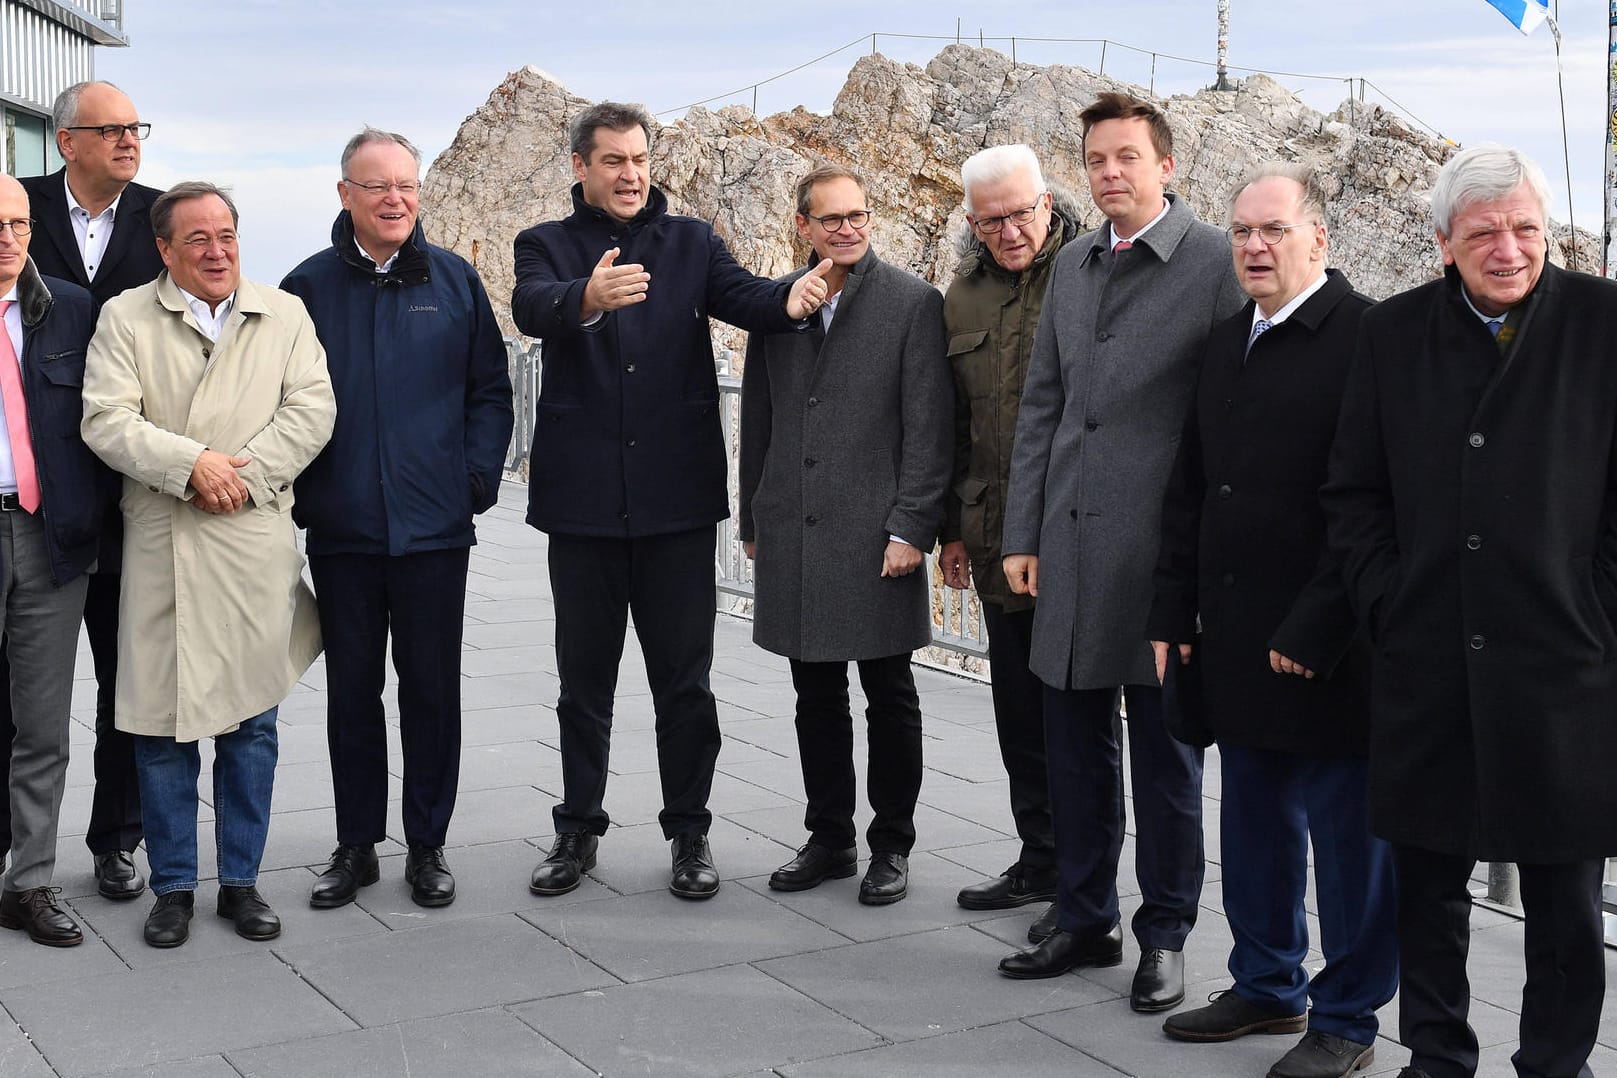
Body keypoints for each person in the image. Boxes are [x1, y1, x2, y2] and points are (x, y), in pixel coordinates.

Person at [1324, 145, 1617, 1078]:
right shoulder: (1392, 333)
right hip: (1428, 658)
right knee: (1428, 889)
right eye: (1484, 233)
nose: (1508, 249)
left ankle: (1554, 1065)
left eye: (1525, 228)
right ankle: (1436, 1058)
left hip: (1562, 663)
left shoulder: (1604, 323)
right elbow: (1353, 493)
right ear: (1441, 241)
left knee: (1565, 903)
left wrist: (1595, 609)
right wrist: (1387, 602)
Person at [510, 102, 829, 900]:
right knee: (582, 684)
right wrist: (586, 295)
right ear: (579, 168)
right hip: (581, 506)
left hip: (676, 506)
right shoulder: (544, 244)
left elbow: (751, 300)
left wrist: (797, 294)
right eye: (613, 160)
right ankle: (576, 832)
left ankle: (690, 835)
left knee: (683, 686)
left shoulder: (690, 242)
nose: (630, 174)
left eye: (640, 159)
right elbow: (530, 305)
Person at [1148, 163, 1397, 1078]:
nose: (1254, 247)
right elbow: (1190, 486)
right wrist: (1171, 607)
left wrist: (1317, 626)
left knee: (1348, 845)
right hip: (1235, 634)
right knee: (1251, 820)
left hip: (1332, 646)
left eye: (1273, 231)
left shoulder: (1370, 336)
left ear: (1317, 239)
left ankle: (1347, 1017)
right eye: (1242, 232)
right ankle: (1265, 984)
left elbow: (1376, 503)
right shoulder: (1224, 341)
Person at [997, 92, 1243, 1011]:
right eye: (1096, 159)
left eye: (1127, 157)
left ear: (1165, 166)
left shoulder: (1216, 263)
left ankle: (1165, 934)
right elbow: (1043, 406)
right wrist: (1021, 532)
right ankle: (1082, 916)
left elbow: (1231, 419)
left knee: (1166, 758)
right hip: (1064, 544)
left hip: (1158, 557)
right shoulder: (1072, 267)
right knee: (1072, 748)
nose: (1109, 172)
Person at [81, 181, 335, 948]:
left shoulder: (283, 313)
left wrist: (243, 473)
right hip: (164, 543)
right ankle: (174, 888)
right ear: (164, 249)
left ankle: (243, 883)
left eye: (226, 234)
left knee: (252, 724)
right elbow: (105, 417)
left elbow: (313, 407)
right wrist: (192, 465)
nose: (217, 250)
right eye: (197, 239)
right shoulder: (125, 316)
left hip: (251, 539)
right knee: (161, 730)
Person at [282, 128, 513, 912]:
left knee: (430, 690)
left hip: (434, 531)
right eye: (376, 185)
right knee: (351, 693)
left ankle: (426, 845)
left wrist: (473, 482)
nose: (394, 199)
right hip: (342, 531)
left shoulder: (452, 282)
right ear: (344, 193)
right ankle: (355, 847)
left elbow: (490, 390)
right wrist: (308, 495)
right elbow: (274, 399)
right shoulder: (305, 289)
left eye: (406, 185)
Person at [738, 164, 950, 906]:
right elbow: (757, 418)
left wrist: (910, 529)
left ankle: (890, 844)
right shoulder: (779, 304)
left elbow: (928, 429)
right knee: (813, 693)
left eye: (857, 215)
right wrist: (751, 517)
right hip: (793, 527)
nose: (846, 229)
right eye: (829, 219)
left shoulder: (913, 304)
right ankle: (828, 838)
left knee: (889, 693)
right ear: (803, 227)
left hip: (877, 536)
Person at [13, 80, 163, 902]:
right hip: (39, 490)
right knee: (22, 685)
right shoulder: (18, 211)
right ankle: (15, 849)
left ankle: (116, 839)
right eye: (111, 130)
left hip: (133, 492)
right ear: (67, 141)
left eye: (136, 127)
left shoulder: (160, 216)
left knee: (126, 678)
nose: (129, 140)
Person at [939, 144, 1078, 928]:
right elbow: (955, 425)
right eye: (990, 220)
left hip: (1074, 535)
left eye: (1021, 213)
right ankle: (1039, 858)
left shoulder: (1089, 273)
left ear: (1047, 202)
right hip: (995, 536)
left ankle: (1084, 873)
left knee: (1077, 716)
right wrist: (952, 532)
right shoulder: (961, 297)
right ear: (971, 222)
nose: (1010, 231)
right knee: (1017, 710)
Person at [0, 175, 105, 946]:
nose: (6, 239)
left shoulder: (70, 307)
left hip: (46, 536)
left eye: (16, 223)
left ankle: (29, 882)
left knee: (43, 725)